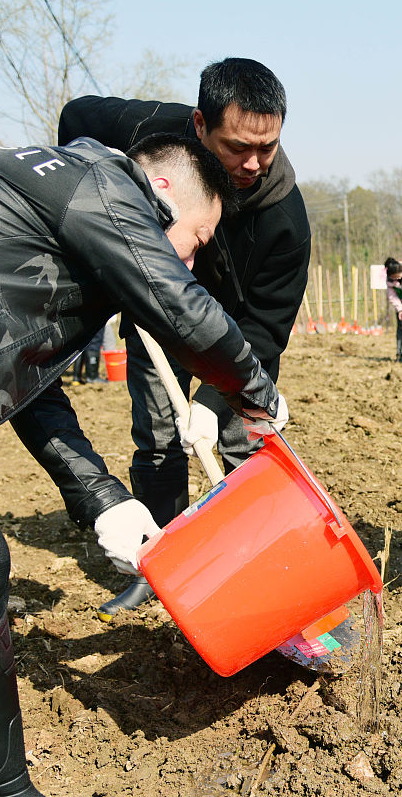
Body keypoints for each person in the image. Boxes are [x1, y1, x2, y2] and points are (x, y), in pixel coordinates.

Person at [0, 135, 282, 794]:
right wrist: (254, 391)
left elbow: (28, 393)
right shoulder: (104, 180)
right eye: (199, 240)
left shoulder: (43, 224)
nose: (191, 258)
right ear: (165, 192)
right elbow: (175, 300)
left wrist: (103, 498)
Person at [58, 57, 311, 612]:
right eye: (237, 145)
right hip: (159, 316)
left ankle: (258, 569)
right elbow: (77, 116)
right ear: (199, 125)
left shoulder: (285, 220)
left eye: (266, 147)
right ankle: (164, 568)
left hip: (237, 334)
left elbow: (267, 329)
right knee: (158, 437)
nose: (252, 163)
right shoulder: (153, 134)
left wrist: (218, 394)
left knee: (245, 446)